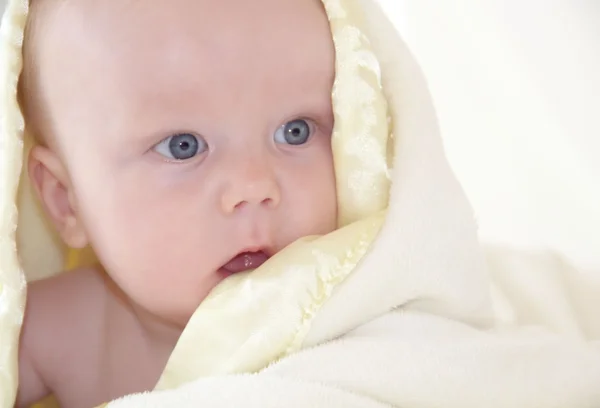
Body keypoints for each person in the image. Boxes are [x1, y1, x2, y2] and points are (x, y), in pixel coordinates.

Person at [15, 0, 338, 406]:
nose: (254, 185)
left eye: (296, 131)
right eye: (183, 147)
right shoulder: (54, 328)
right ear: (68, 202)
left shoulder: (369, 323)